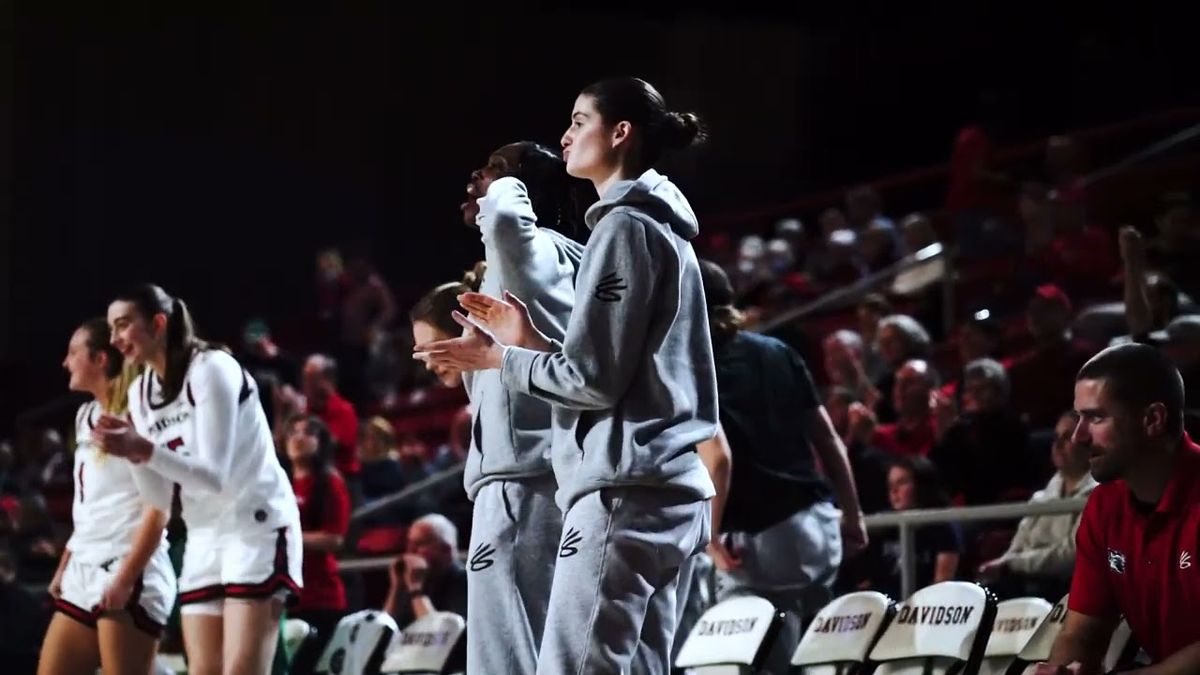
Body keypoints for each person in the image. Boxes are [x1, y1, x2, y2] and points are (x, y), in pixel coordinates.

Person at [416, 77, 715, 674]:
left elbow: (592, 381)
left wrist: (501, 359)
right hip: (668, 483)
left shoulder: (624, 228)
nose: (567, 134)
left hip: (621, 483)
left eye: (580, 122)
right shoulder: (652, 231)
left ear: (620, 132)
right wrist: (528, 341)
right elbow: (616, 366)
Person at [92, 284, 303, 675]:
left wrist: (144, 448)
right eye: (110, 329)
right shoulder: (140, 391)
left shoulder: (212, 368)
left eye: (123, 325)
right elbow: (158, 498)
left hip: (255, 525)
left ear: (158, 323)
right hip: (203, 534)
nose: (115, 339)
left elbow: (213, 476)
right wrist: (133, 454)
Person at [452, 141, 587, 674]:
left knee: (504, 662)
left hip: (519, 489)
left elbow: (506, 218)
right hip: (546, 481)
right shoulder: (567, 257)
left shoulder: (526, 248)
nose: (476, 174)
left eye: (492, 166)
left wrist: (508, 182)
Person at [699, 260, 867, 673]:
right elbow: (826, 439)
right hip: (817, 529)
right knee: (821, 662)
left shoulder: (697, 366)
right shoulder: (779, 351)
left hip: (758, 546)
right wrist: (852, 511)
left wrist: (711, 533)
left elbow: (719, 458)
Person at [1037, 344, 1200, 673]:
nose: (1079, 437)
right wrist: (1063, 668)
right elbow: (1082, 630)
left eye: (1096, 417)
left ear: (1153, 420)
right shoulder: (1104, 505)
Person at [39, 318, 176, 675]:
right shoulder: (85, 416)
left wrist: (126, 578)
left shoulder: (138, 418)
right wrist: (66, 564)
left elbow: (158, 511)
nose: (65, 363)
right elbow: (90, 506)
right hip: (85, 566)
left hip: (126, 567)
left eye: (73, 353)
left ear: (100, 360)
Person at [283, 415, 351, 675]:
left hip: (319, 596)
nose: (298, 437)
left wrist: (286, 536)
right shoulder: (279, 482)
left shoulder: (330, 482)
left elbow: (334, 538)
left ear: (321, 442)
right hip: (285, 593)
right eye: (293, 432)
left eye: (307, 432)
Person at [382, 514, 468, 628]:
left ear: (446, 550)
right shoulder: (416, 579)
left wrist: (416, 591)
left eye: (419, 544)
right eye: (409, 543)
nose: (410, 551)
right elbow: (383, 632)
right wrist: (397, 588)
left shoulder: (466, 582)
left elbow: (440, 635)